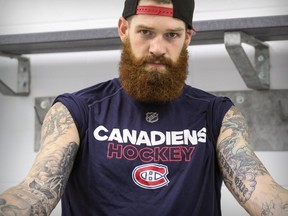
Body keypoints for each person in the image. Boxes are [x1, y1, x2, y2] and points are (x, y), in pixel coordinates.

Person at [0, 0, 288, 215]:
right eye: (146, 32)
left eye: (172, 35)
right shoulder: (77, 111)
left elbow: (260, 189)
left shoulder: (218, 115)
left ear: (188, 37)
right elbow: (35, 192)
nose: (158, 48)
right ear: (124, 30)